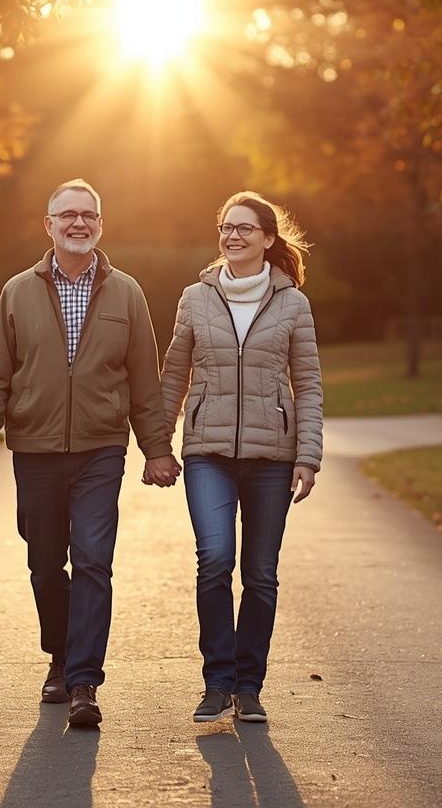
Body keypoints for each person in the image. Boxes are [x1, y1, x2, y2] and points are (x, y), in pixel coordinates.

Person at [0, 178, 182, 727]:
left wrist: (156, 449)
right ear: (49, 225)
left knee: (92, 558)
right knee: (45, 564)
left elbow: (143, 379)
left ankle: (84, 680)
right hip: (35, 447)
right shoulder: (17, 292)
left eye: (89, 214)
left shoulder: (126, 292)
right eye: (68, 215)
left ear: (101, 225)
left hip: (100, 449)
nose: (78, 223)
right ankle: (60, 656)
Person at [156, 190, 324, 725]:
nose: (232, 235)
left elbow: (309, 384)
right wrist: (158, 443)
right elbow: (173, 374)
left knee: (260, 573)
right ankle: (217, 682)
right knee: (215, 560)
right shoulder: (194, 298)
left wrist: (308, 454)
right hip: (208, 453)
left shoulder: (293, 303)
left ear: (268, 239)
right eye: (226, 227)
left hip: (274, 457)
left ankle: (249, 687)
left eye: (245, 228)